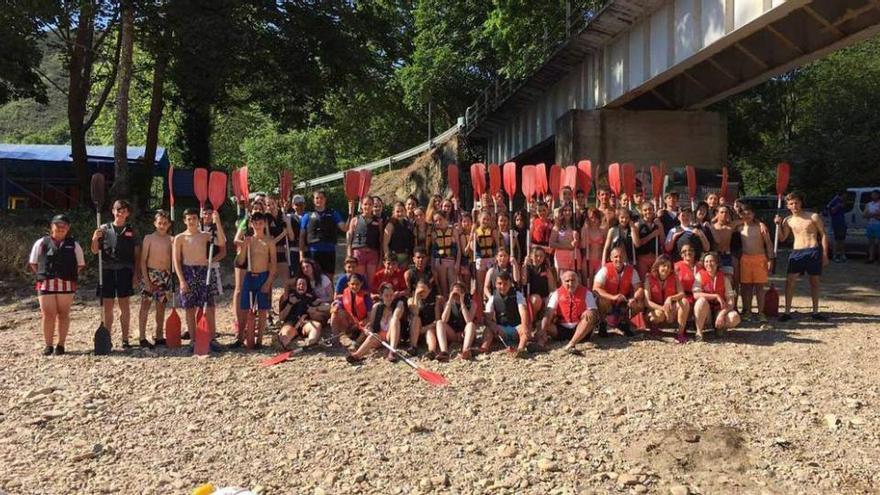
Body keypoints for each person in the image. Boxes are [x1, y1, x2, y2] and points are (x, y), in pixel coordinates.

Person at [29, 214, 85, 355]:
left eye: (64, 226)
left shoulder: (74, 245)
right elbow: (33, 262)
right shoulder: (41, 242)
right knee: (47, 315)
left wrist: (67, 274)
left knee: (63, 314)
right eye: (58, 225)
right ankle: (48, 345)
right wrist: (45, 274)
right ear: (51, 226)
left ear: (68, 228)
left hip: (66, 284)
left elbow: (80, 264)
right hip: (45, 284)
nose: (61, 228)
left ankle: (61, 345)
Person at [90, 199, 141, 349]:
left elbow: (137, 253)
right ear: (113, 211)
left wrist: (136, 273)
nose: (120, 212)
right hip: (107, 271)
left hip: (125, 271)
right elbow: (94, 250)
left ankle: (125, 339)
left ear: (128, 213)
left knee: (124, 306)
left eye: (124, 210)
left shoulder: (132, 230)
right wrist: (94, 238)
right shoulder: (103, 229)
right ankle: (107, 338)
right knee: (108, 307)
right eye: (118, 210)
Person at [173, 208, 226, 352]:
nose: (192, 222)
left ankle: (211, 338)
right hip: (188, 272)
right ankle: (193, 340)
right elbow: (176, 261)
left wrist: (218, 222)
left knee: (208, 306)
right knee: (189, 308)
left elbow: (221, 242)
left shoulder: (205, 236)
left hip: (203, 272)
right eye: (189, 219)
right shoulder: (179, 238)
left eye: (194, 218)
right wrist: (182, 280)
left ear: (198, 219)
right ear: (184, 221)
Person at [774, 191, 830, 321]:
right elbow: (782, 238)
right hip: (797, 252)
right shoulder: (787, 220)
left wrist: (825, 254)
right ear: (787, 206)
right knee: (790, 282)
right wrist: (777, 225)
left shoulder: (813, 216)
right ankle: (787, 312)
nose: (794, 206)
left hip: (813, 250)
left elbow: (823, 234)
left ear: (801, 203)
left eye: (796, 203)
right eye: (791, 203)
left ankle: (815, 312)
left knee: (814, 282)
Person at [236, 212, 277, 348]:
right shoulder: (249, 240)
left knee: (263, 310)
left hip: (263, 276)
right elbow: (240, 261)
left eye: (260, 223)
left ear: (264, 224)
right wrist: (244, 247)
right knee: (244, 308)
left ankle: (259, 340)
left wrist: (268, 282)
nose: (258, 226)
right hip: (249, 276)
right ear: (251, 224)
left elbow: (273, 264)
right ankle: (241, 338)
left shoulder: (269, 241)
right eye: (255, 223)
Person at [346, 282, 407, 364]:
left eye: (391, 295)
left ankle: (392, 351)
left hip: (392, 336)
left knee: (394, 320)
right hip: (380, 338)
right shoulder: (376, 307)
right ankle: (357, 355)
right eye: (386, 295)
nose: (389, 298)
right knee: (373, 336)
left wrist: (393, 306)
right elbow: (371, 325)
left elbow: (397, 316)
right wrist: (368, 330)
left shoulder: (399, 304)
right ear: (381, 296)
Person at [539, 270, 598, 354]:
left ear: (578, 281)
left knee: (590, 315)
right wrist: (544, 329)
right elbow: (549, 312)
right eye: (567, 281)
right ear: (562, 282)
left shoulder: (587, 293)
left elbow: (594, 312)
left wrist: (589, 311)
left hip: (580, 328)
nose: (570, 283)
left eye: (573, 280)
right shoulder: (556, 294)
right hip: (562, 329)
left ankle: (572, 344)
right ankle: (540, 344)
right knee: (542, 323)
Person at [138, 210, 173, 348]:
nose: (162, 226)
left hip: (165, 276)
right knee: (145, 305)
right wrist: (146, 281)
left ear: (169, 224)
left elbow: (173, 260)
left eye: (165, 223)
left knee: (161, 306)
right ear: (155, 223)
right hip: (150, 274)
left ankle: (159, 336)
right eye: (159, 223)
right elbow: (143, 261)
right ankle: (142, 337)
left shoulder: (171, 239)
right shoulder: (149, 238)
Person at [592, 246, 644, 336]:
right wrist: (613, 297)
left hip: (623, 301)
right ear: (611, 258)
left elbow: (638, 288)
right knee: (602, 300)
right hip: (609, 300)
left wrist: (634, 298)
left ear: (625, 258)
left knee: (638, 303)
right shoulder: (604, 270)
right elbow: (595, 288)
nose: (618, 259)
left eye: (621, 256)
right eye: (616, 257)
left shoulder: (632, 270)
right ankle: (602, 324)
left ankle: (624, 323)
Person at [736, 203, 773, 327]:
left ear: (754, 214)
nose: (747, 215)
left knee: (759, 288)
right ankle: (747, 310)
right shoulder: (739, 227)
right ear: (740, 215)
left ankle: (761, 312)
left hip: (760, 258)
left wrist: (770, 259)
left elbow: (768, 243)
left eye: (749, 213)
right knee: (746, 287)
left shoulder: (761, 227)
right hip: (745, 259)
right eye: (744, 213)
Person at [693, 252, 741, 339]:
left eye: (712, 261)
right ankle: (699, 332)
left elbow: (731, 301)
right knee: (701, 301)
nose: (709, 264)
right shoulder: (699, 275)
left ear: (717, 263)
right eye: (706, 261)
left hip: (719, 309)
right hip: (706, 311)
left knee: (735, 317)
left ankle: (720, 328)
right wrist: (715, 296)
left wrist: (722, 314)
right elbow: (696, 294)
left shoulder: (725, 278)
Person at [642, 255, 689, 343]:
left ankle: (680, 333)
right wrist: (664, 309)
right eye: (663, 266)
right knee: (658, 315)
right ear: (658, 266)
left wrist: (670, 298)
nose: (666, 269)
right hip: (656, 310)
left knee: (684, 302)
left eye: (668, 266)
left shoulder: (674, 277)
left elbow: (682, 293)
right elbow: (647, 302)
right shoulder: (649, 278)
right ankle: (654, 329)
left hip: (671, 308)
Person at [481, 272, 530, 358]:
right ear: (495, 284)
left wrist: (524, 326)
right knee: (488, 330)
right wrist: (493, 325)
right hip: (501, 330)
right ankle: (484, 348)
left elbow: (523, 312)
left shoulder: (518, 295)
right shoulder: (492, 299)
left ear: (510, 284)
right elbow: (487, 318)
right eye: (499, 284)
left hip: (516, 328)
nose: (502, 287)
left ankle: (520, 349)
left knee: (524, 328)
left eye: (505, 284)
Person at [299, 189, 346, 276]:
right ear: (313, 200)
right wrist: (301, 255)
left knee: (329, 279)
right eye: (317, 198)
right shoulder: (307, 216)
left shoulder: (333, 213)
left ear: (325, 199)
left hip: (329, 251)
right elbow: (302, 237)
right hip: (313, 252)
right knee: (314, 278)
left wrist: (351, 213)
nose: (319, 200)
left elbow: (344, 228)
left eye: (321, 198)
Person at [430, 281, 476, 361]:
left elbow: (468, 321)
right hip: (453, 333)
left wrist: (462, 302)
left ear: (464, 293)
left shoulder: (472, 304)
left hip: (466, 333)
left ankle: (465, 351)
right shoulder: (448, 303)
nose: (457, 295)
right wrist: (450, 300)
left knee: (471, 324)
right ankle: (444, 352)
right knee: (439, 322)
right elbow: (444, 319)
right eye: (455, 292)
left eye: (460, 292)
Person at [276, 276, 322, 351]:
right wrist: (290, 304)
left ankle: (311, 344)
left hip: (305, 323)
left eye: (304, 284)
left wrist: (316, 308)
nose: (301, 286)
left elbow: (324, 307)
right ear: (296, 286)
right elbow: (281, 317)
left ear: (307, 287)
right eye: (299, 284)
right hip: (291, 322)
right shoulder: (289, 297)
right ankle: (282, 345)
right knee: (286, 333)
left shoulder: (311, 297)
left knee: (317, 326)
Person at [347, 196, 382, 284]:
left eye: (370, 204)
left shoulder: (379, 221)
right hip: (358, 253)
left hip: (372, 253)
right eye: (365, 204)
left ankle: (369, 297)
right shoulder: (355, 220)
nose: (367, 206)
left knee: (370, 282)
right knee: (359, 280)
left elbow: (381, 240)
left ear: (373, 206)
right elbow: (349, 239)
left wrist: (381, 257)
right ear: (361, 205)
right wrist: (349, 254)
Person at [330, 274, 372, 344]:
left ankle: (357, 343)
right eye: (352, 284)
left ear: (361, 284)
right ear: (348, 284)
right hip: (350, 324)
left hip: (361, 326)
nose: (355, 286)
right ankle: (335, 339)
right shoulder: (345, 293)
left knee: (368, 327)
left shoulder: (366, 298)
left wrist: (357, 325)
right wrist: (336, 306)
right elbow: (339, 303)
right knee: (335, 312)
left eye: (357, 284)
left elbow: (370, 318)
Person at [521, 246, 556, 321]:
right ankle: (532, 321)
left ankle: (545, 323)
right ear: (531, 256)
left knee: (552, 299)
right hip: (531, 296)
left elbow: (552, 287)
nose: (539, 258)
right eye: (536, 256)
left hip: (544, 296)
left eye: (541, 256)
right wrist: (525, 265)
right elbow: (524, 281)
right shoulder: (527, 267)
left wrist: (551, 296)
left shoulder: (546, 269)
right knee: (536, 299)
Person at [429, 211, 459, 297]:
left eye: (440, 219)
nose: (438, 222)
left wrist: (457, 262)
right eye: (435, 221)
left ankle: (454, 307)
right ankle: (446, 308)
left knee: (453, 287)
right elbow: (433, 251)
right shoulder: (434, 233)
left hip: (451, 261)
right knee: (443, 288)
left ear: (446, 219)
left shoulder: (453, 230)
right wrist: (432, 267)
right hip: (439, 261)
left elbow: (459, 249)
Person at [632, 202, 664, 280]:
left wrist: (660, 226)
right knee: (643, 280)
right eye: (645, 210)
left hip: (655, 257)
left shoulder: (657, 223)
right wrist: (652, 235)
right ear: (642, 212)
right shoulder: (638, 225)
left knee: (655, 281)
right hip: (642, 259)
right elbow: (637, 244)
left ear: (653, 210)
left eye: (650, 209)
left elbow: (662, 241)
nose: (648, 212)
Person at [472, 210, 500, 300]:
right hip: (480, 259)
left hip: (491, 258)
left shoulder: (493, 231)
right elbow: (472, 247)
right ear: (479, 220)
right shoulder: (475, 232)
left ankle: (491, 301)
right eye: (484, 219)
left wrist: (497, 256)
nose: (486, 221)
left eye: (488, 219)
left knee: (491, 282)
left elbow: (498, 245)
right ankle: (481, 304)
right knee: (480, 283)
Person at [383, 201, 414, 267]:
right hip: (394, 259)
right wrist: (389, 260)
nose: (400, 213)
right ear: (393, 212)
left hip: (406, 259)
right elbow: (385, 244)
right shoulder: (390, 225)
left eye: (402, 211)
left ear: (405, 211)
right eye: (397, 211)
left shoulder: (408, 224)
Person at [580, 207, 605, 283]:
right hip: (588, 261)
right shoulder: (585, 230)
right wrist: (585, 228)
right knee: (588, 285)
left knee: (598, 285)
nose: (594, 220)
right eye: (591, 218)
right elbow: (583, 245)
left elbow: (605, 247)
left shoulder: (602, 231)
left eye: (596, 217)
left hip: (599, 261)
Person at [551, 204, 579, 272]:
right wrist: (568, 246)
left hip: (574, 256)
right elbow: (551, 243)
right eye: (565, 210)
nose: (568, 212)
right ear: (562, 212)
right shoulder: (557, 226)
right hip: (561, 257)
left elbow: (579, 243)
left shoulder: (576, 226)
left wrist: (576, 240)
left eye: (570, 210)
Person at [285, 194, 306, 278]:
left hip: (307, 249)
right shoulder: (290, 217)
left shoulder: (309, 216)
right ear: (293, 206)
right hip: (294, 250)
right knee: (294, 274)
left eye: (301, 204)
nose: (299, 207)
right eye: (297, 204)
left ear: (304, 205)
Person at [825, 190, 848, 262]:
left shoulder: (841, 201)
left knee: (842, 239)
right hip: (836, 222)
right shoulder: (835, 201)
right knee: (837, 239)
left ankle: (842, 255)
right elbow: (831, 210)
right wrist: (838, 206)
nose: (846, 196)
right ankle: (835, 255)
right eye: (845, 194)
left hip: (841, 221)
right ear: (842, 194)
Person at [863, 190, 880, 263]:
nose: (873, 196)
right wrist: (874, 215)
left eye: (874, 194)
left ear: (878, 195)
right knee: (871, 242)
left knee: (878, 242)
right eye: (872, 194)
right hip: (870, 224)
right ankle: (871, 258)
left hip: (878, 224)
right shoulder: (869, 204)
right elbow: (864, 215)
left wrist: (870, 215)